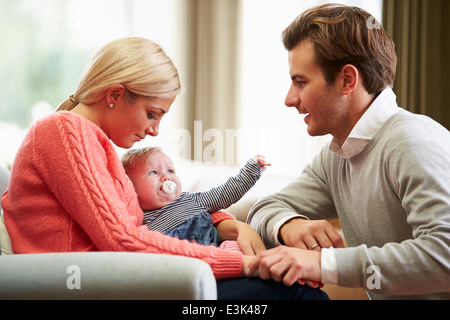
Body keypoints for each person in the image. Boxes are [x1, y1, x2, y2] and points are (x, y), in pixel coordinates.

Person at [1, 37, 328, 300]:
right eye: (152, 113)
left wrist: (226, 223)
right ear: (115, 93)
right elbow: (122, 240)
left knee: (294, 289)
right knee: (295, 293)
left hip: (121, 279)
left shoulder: (93, 145)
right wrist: (242, 264)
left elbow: (155, 214)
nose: (155, 130)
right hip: (94, 285)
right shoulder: (63, 133)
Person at [246, 4, 450, 300]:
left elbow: (445, 256)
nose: (289, 99)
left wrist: (322, 264)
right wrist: (288, 224)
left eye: (300, 82)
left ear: (347, 80)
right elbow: (265, 207)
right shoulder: (338, 155)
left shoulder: (412, 141)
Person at [121, 146, 269, 253]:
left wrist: (252, 170)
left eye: (170, 171)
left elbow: (225, 193)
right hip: (180, 268)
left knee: (239, 248)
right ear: (130, 186)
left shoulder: (191, 200)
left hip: (217, 254)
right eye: (153, 172)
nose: (166, 177)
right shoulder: (138, 221)